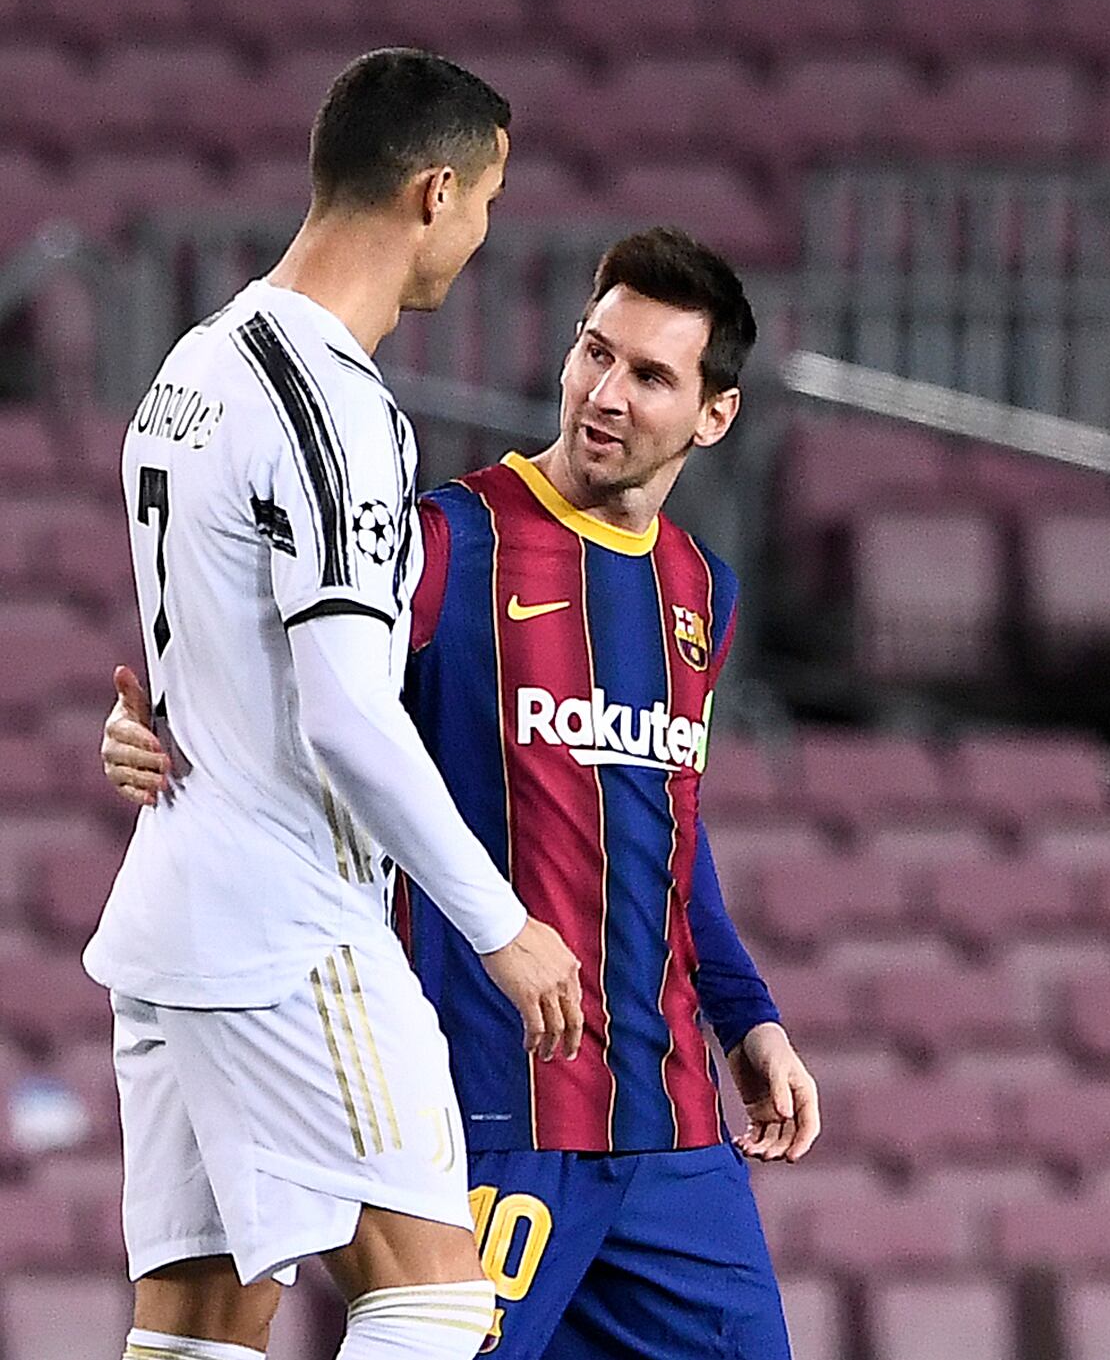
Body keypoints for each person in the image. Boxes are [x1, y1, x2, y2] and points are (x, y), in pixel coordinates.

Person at [105, 226, 818, 1360]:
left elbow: (668, 828)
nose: (605, 392)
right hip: (494, 1115)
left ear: (713, 414)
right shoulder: (443, 543)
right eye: (594, 353)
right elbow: (292, 686)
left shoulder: (700, 590)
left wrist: (748, 1016)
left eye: (648, 375)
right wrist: (154, 724)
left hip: (672, 1132)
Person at [93, 48, 585, 1360]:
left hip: (172, 916)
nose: (480, 237)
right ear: (433, 192)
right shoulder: (331, 407)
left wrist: (137, 728)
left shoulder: (190, 370)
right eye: (483, 204)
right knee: (433, 1296)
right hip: (284, 926)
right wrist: (500, 924)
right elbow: (344, 714)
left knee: (197, 1326)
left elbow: (186, 662)